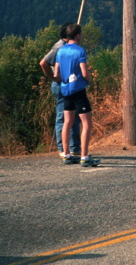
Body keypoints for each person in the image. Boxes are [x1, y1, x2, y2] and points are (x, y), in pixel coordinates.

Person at [53, 23, 99, 167]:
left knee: (67, 122)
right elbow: (84, 72)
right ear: (78, 35)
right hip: (78, 90)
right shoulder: (80, 51)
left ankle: (66, 155)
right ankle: (84, 157)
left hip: (65, 90)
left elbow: (57, 74)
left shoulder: (60, 51)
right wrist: (89, 81)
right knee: (86, 123)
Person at [39, 23, 81, 159]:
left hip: (70, 85)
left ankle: (74, 149)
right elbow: (43, 63)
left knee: (73, 117)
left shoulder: (67, 47)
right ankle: (63, 149)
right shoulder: (59, 47)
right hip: (61, 85)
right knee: (62, 118)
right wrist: (54, 78)